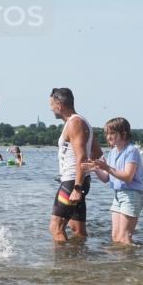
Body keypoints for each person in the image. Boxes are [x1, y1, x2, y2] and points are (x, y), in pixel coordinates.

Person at [48, 87, 102, 241]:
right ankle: (79, 262)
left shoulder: (75, 123)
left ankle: (60, 264)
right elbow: (97, 153)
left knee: (56, 228)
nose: (51, 109)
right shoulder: (81, 121)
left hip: (72, 182)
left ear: (59, 104)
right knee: (77, 229)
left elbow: (82, 157)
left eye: (52, 105)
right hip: (78, 180)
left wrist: (77, 187)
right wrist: (84, 177)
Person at [81, 117, 143, 245]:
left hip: (131, 195)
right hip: (117, 195)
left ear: (124, 133)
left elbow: (128, 176)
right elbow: (106, 178)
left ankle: (128, 261)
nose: (108, 137)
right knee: (115, 237)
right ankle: (119, 262)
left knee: (124, 236)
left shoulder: (131, 151)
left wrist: (107, 168)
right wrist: (95, 169)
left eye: (112, 133)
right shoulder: (113, 152)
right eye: (107, 133)